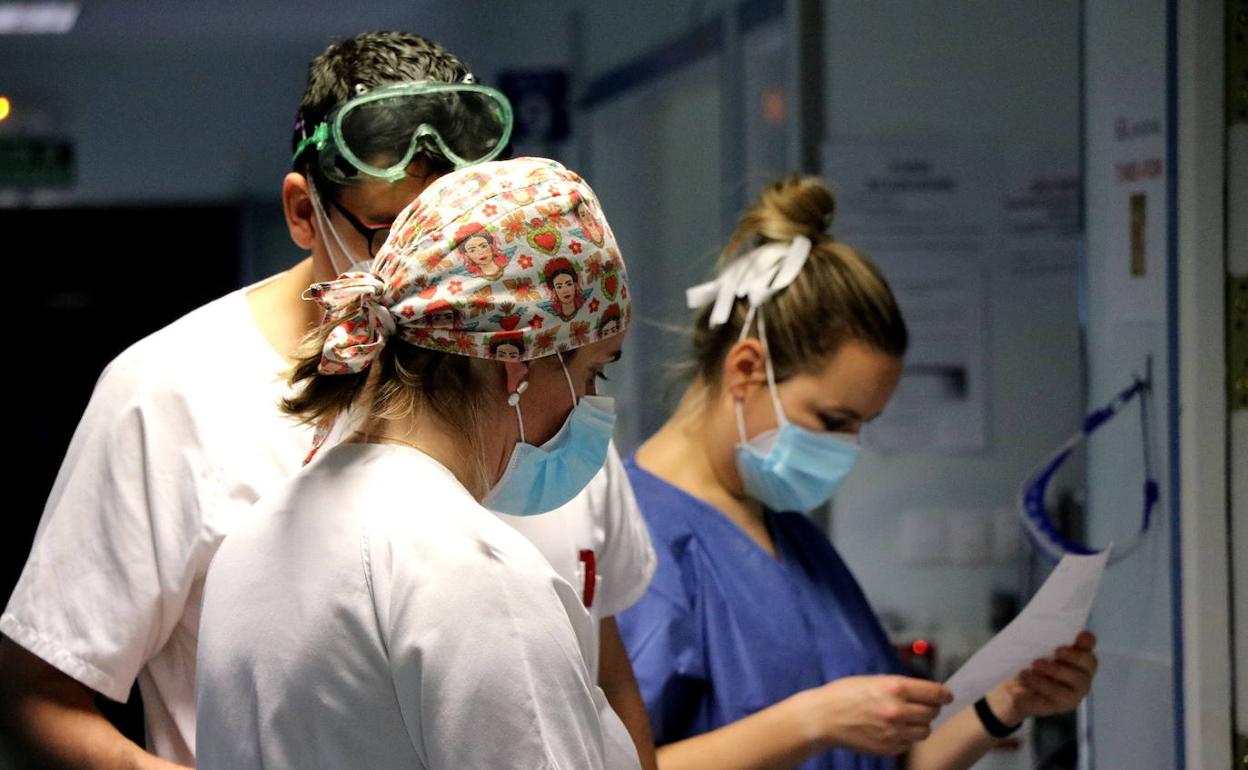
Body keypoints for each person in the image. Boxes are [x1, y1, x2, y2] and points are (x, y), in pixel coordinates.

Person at [0, 32, 655, 770]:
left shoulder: (553, 402)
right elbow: (38, 692)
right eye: (390, 230)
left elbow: (601, 671)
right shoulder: (170, 396)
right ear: (304, 212)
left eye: (466, 236)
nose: (436, 266)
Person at [616, 177, 1098, 770]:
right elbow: (616, 764)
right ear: (746, 370)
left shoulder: (791, 539)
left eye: (863, 424)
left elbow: (897, 758)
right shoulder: (634, 540)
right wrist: (812, 722)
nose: (847, 447)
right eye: (834, 419)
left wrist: (1006, 700)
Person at [196, 156, 639, 770]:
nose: (590, 403)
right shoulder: (480, 575)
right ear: (520, 364)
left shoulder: (255, 538)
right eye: (593, 371)